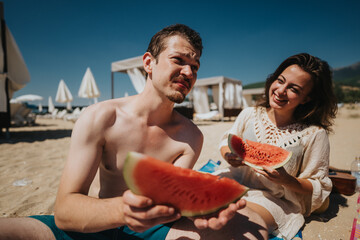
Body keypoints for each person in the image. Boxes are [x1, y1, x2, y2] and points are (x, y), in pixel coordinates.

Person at [0, 24, 268, 240]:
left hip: (154, 228)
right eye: (179, 60)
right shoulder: (101, 117)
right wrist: (122, 210)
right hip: (97, 220)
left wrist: (202, 207)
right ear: (149, 63)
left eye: (195, 67)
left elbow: (173, 202)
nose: (188, 72)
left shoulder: (191, 137)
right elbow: (66, 211)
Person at [219, 53, 338, 239]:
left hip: (274, 200)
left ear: (306, 99)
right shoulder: (250, 114)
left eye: (294, 89)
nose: (281, 90)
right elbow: (226, 141)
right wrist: (229, 156)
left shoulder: (314, 134)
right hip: (235, 183)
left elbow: (319, 185)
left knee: (234, 222)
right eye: (280, 80)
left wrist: (286, 180)